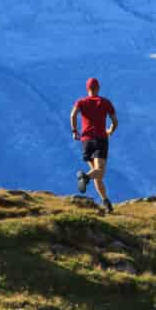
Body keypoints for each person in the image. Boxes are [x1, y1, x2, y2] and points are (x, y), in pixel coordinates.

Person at [68, 77, 118, 211]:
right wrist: (110, 131)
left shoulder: (81, 102)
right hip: (100, 140)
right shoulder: (105, 102)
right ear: (98, 88)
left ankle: (106, 202)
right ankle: (84, 177)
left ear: (87, 88)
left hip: (86, 142)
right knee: (99, 172)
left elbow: (73, 115)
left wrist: (74, 131)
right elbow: (115, 122)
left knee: (97, 174)